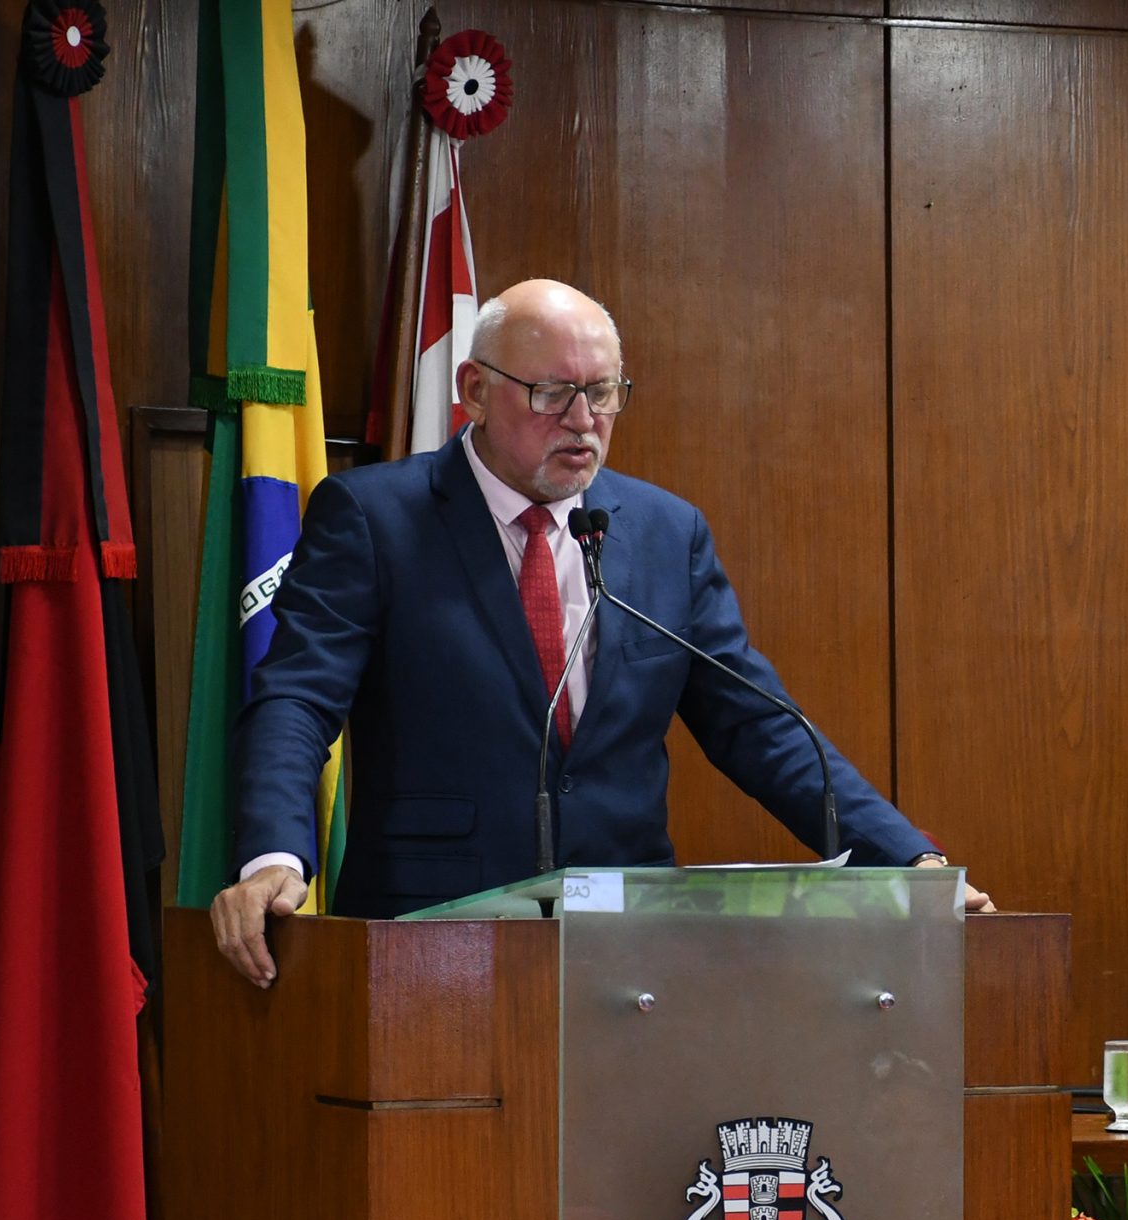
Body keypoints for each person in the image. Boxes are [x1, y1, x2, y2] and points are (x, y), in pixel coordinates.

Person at [210, 280, 986, 986]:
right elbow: (298, 698)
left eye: (603, 392)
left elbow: (757, 726)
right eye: (552, 393)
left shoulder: (663, 531)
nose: (584, 422)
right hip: (431, 942)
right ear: (474, 390)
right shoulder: (375, 519)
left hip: (631, 955)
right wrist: (275, 853)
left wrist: (907, 860)